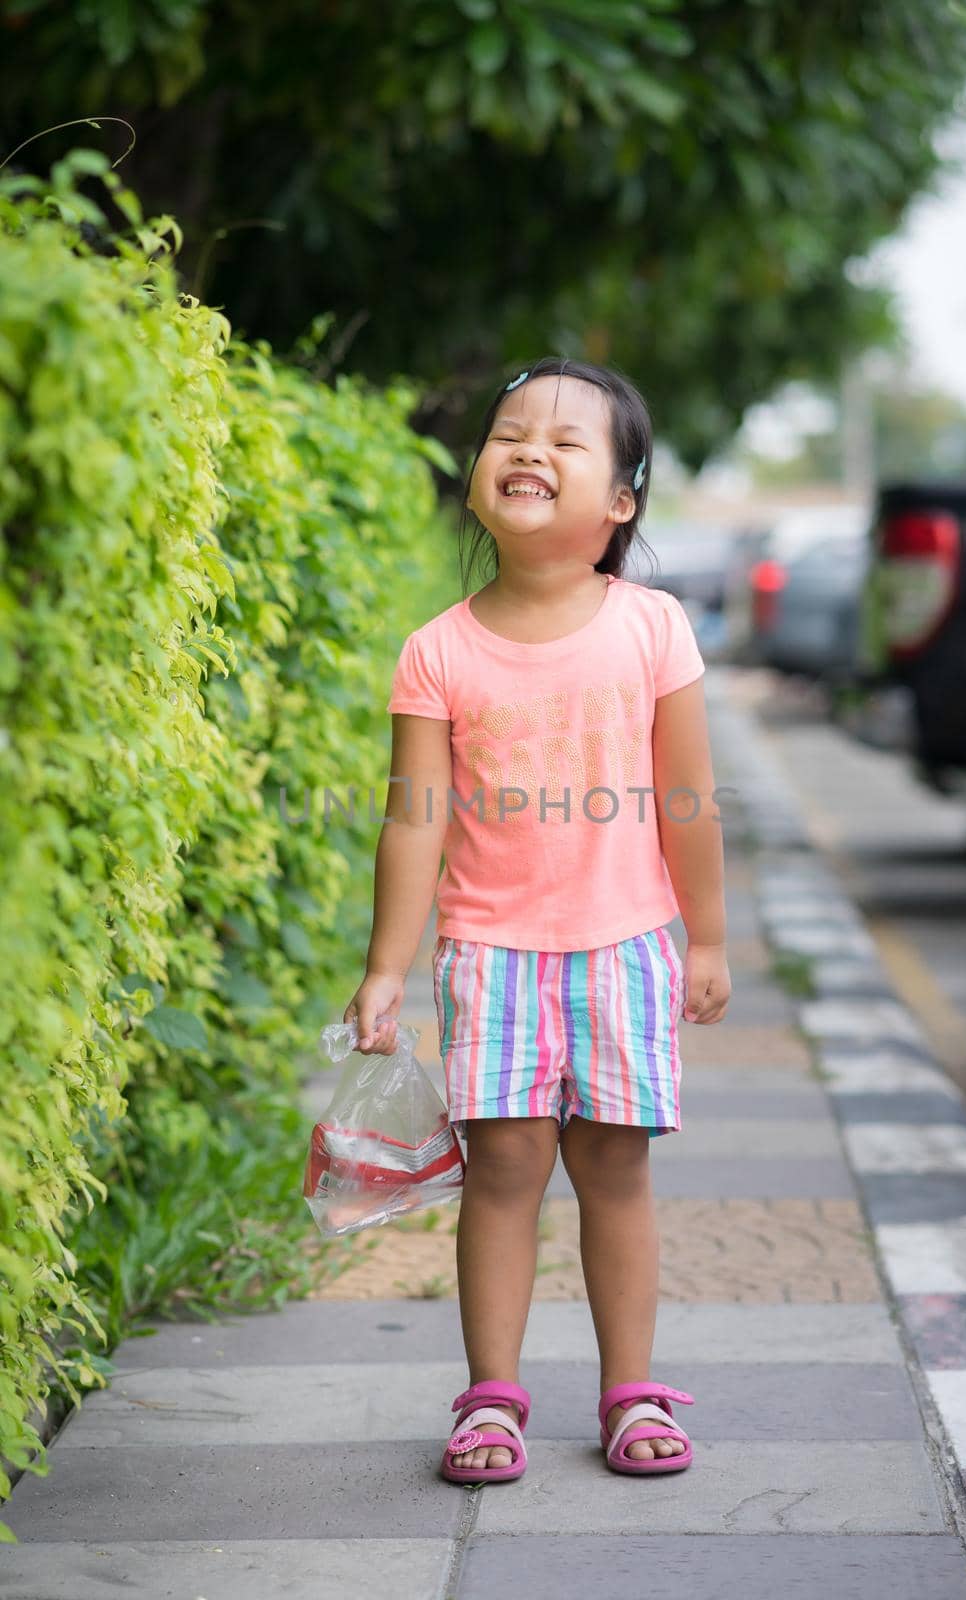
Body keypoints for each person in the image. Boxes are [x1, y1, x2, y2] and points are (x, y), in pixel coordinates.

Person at [343, 356, 731, 1483]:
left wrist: (704, 935)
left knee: (614, 1169)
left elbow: (687, 798)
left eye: (566, 442)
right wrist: (385, 967)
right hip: (493, 952)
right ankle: (492, 1396)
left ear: (619, 500)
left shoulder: (651, 628)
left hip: (626, 945)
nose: (528, 451)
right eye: (510, 433)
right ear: (477, 479)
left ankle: (629, 1391)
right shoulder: (439, 647)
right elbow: (413, 821)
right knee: (503, 1168)